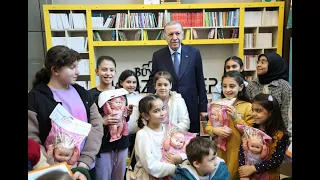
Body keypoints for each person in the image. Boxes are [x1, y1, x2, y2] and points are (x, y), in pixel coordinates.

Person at [28, 45, 104, 177]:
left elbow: (96, 127)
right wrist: (53, 165)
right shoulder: (35, 98)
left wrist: (85, 161)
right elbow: (32, 139)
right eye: (72, 67)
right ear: (55, 70)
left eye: (77, 66)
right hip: (53, 172)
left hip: (85, 168)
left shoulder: (83, 94)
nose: (78, 72)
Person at [146, 20, 208, 133]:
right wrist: (150, 102)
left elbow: (200, 80)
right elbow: (152, 80)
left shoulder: (194, 53)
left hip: (191, 105)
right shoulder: (158, 55)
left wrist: (203, 108)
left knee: (191, 143)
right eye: (170, 34)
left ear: (183, 34)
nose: (174, 37)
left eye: (177, 33)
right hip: (168, 106)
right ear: (164, 36)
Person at [88, 56, 133, 180]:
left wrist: (127, 114)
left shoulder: (121, 93)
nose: (108, 73)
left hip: (122, 143)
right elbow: (86, 121)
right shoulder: (90, 95)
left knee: (119, 176)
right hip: (102, 145)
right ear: (97, 71)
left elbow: (124, 120)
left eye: (111, 70)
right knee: (103, 176)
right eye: (104, 69)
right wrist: (102, 121)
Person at [205, 71, 254, 180]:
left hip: (238, 151)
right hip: (219, 151)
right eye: (224, 86)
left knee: (233, 175)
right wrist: (215, 130)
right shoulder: (217, 104)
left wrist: (236, 118)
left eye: (232, 86)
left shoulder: (247, 106)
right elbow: (208, 127)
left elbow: (251, 133)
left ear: (241, 87)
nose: (227, 90)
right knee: (218, 175)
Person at [238, 93, 289, 180]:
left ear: (271, 113)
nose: (253, 114)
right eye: (252, 110)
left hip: (269, 176)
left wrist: (254, 168)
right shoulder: (250, 130)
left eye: (258, 111)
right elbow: (242, 151)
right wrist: (243, 172)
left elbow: (276, 161)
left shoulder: (280, 135)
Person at [133, 95, 185, 179]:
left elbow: (183, 150)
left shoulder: (170, 129)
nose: (162, 113)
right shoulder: (143, 134)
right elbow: (150, 165)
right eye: (156, 111)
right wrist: (176, 169)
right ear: (146, 116)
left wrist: (180, 157)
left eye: (163, 108)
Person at [246, 52, 292, 131]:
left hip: (277, 131)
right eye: (258, 62)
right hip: (256, 130)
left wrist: (285, 134)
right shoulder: (252, 85)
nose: (258, 65)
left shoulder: (283, 86)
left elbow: (286, 113)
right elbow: (249, 110)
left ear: (273, 65)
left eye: (263, 62)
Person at [115, 69, 144, 173]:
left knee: (136, 160)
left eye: (134, 82)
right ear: (121, 82)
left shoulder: (139, 97)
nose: (131, 85)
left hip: (137, 133)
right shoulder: (116, 97)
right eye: (128, 82)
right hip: (122, 134)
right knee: (120, 162)